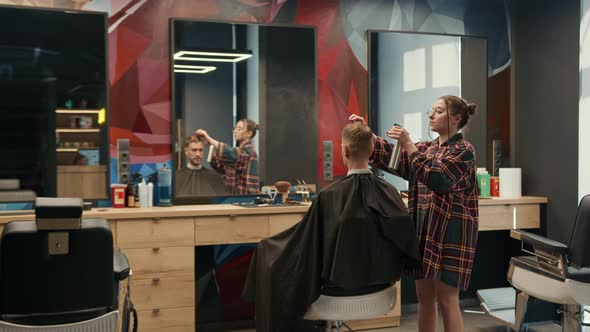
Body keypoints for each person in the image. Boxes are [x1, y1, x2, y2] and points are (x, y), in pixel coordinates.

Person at [242, 122, 421, 332]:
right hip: (382, 289)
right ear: (373, 150)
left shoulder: (329, 196)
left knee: (269, 255)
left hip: (336, 292)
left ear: (344, 150)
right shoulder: (390, 193)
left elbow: (306, 247)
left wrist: (267, 248)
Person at [350, 95, 478, 332]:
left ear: (456, 118)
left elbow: (438, 178)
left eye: (438, 111)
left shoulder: (464, 151)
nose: (431, 115)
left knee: (448, 300)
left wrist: (408, 145)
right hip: (425, 231)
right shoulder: (426, 148)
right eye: (433, 110)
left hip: (451, 234)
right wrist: (365, 133)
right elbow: (392, 156)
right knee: (424, 298)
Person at [195, 119, 259, 195]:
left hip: (246, 199)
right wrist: (210, 145)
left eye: (239, 129)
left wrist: (208, 138)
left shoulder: (249, 151)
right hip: (234, 197)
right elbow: (221, 168)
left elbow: (231, 153)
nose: (235, 131)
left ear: (249, 133)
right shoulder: (238, 152)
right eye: (235, 128)